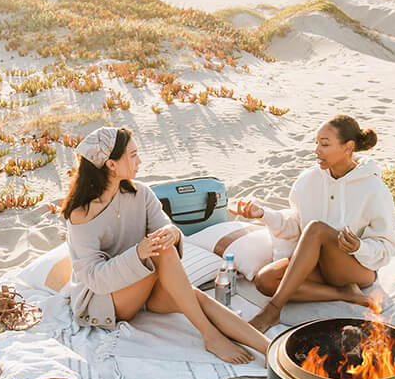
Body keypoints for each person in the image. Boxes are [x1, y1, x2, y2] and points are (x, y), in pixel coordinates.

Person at [62, 126, 268, 365]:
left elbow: (167, 228)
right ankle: (210, 336)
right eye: (133, 155)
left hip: (143, 285)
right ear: (111, 165)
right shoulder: (81, 214)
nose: (139, 161)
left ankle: (271, 348)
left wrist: (172, 232)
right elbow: (95, 278)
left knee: (194, 298)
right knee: (161, 251)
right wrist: (139, 254)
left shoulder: (142, 193)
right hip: (105, 300)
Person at [232, 114, 395, 334]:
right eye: (316, 143)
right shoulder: (308, 180)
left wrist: (359, 247)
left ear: (348, 147)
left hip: (356, 268)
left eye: (325, 144)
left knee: (317, 230)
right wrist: (262, 214)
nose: (317, 150)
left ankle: (272, 311)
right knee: (265, 280)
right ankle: (346, 294)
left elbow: (385, 249)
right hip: (317, 265)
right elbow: (295, 224)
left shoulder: (373, 189)